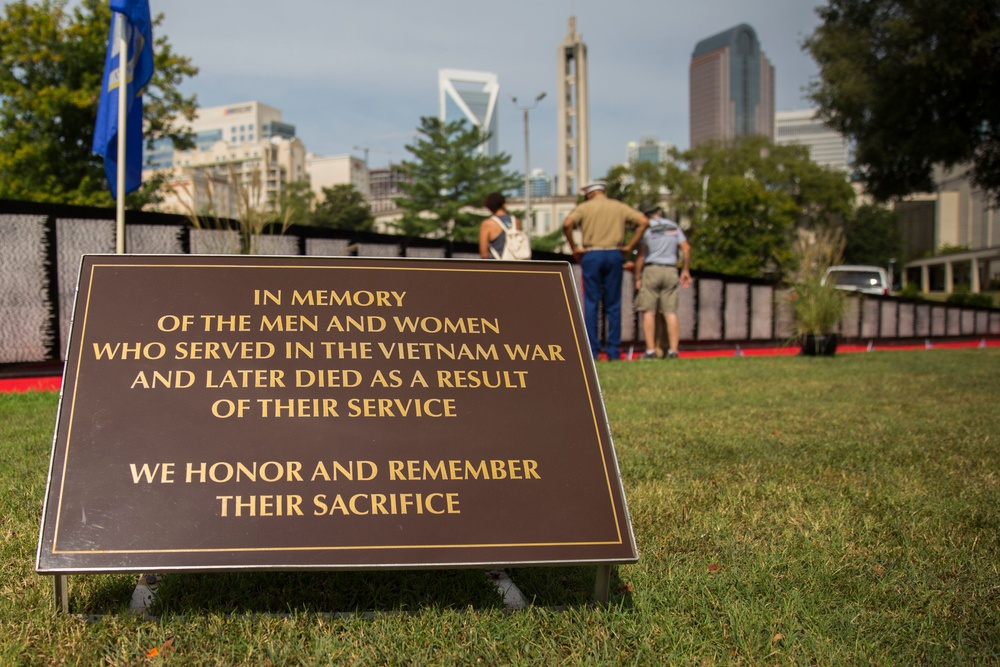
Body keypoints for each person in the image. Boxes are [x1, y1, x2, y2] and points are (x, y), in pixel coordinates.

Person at [562, 181, 649, 361]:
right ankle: (613, 350)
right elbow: (643, 221)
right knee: (613, 304)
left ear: (589, 194)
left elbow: (567, 223)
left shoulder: (585, 208)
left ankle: (592, 351)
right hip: (614, 253)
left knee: (591, 302)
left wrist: (574, 247)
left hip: (592, 254)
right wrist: (629, 246)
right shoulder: (618, 206)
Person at [634, 204, 692, 359]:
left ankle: (651, 350)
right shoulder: (673, 226)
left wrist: (637, 276)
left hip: (652, 269)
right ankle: (673, 351)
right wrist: (685, 270)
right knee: (670, 311)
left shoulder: (646, 227)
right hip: (671, 270)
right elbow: (686, 248)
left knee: (648, 311)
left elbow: (641, 254)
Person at [478, 192, 521, 260]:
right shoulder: (515, 221)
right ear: (504, 204)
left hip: (497, 265)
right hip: (516, 265)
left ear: (489, 207)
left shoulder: (487, 224)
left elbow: (484, 254)